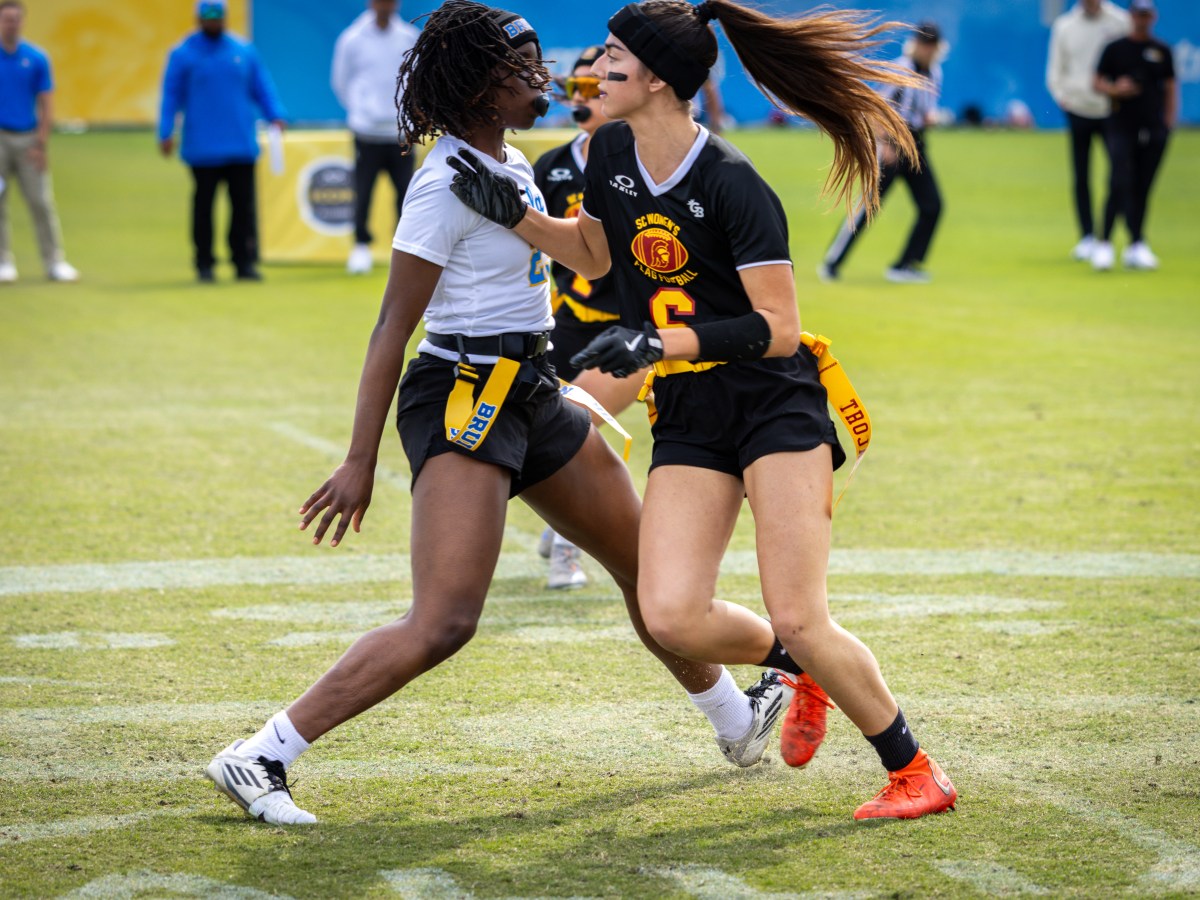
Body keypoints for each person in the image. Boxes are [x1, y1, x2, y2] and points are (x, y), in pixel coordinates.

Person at [201, 1, 832, 826]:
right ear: (478, 86)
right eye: (523, 68)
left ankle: (738, 718)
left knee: (652, 579)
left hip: (533, 388)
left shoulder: (510, 160)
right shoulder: (444, 182)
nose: (545, 78)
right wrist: (360, 457)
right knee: (445, 620)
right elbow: (394, 325)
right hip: (464, 394)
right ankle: (261, 756)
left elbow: (584, 255)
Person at [450, 0, 957, 820]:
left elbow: (778, 326)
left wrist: (656, 344)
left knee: (800, 608)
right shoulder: (611, 149)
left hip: (773, 404)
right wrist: (517, 215)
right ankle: (799, 668)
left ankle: (914, 771)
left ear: (655, 79)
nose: (595, 71)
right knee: (671, 613)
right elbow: (594, 254)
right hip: (690, 410)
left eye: (612, 58)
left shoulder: (731, 180)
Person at [531, 45, 646, 590]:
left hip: (623, 331)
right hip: (560, 324)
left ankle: (567, 550)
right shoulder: (550, 167)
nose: (581, 101)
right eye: (573, 90)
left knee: (579, 430)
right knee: (552, 439)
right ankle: (562, 527)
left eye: (591, 90)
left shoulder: (640, 162)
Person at [158, 0, 287, 283]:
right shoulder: (183, 54)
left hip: (240, 142)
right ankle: (204, 263)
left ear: (226, 19)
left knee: (243, 208)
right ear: (199, 19)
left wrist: (275, 114)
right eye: (208, 17)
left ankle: (243, 262)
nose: (213, 22)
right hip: (202, 146)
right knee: (204, 207)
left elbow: (261, 87)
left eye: (218, 17)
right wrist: (165, 131)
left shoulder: (243, 50)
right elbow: (171, 95)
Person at [818, 21, 944, 285]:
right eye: (924, 43)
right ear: (916, 44)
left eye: (932, 44)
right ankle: (832, 261)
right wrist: (883, 144)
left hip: (916, 144)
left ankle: (905, 265)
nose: (928, 50)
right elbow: (874, 108)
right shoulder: (901, 69)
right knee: (868, 207)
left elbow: (923, 110)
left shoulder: (934, 73)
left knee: (932, 205)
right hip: (891, 143)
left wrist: (930, 117)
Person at [331, 0, 420, 275]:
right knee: (364, 191)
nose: (385, 4)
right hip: (366, 132)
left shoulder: (408, 36)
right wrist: (362, 112)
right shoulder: (352, 38)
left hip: (400, 132)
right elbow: (341, 82)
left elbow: (415, 80)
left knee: (405, 194)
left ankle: (403, 250)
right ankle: (360, 247)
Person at [1091, 0, 1176, 272]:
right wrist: (1115, 89)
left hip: (1152, 126)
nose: (1142, 19)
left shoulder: (1161, 50)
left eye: (1146, 14)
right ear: (1131, 15)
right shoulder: (1116, 48)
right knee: (1119, 180)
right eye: (1138, 14)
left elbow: (1171, 87)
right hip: (1120, 124)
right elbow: (1097, 81)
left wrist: (1168, 123)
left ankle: (1136, 243)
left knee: (1143, 185)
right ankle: (1104, 242)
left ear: (1153, 16)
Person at [0, 0, 79, 284]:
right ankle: (3, 261)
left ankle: (54, 261)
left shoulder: (35, 57)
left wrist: (41, 141)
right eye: (7, 19)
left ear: (23, 22)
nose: (12, 24)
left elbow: (46, 101)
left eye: (16, 19)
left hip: (28, 136)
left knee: (40, 202)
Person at [1046, 0, 1130, 263]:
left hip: (1112, 109)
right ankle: (1087, 237)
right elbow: (1055, 68)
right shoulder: (1065, 25)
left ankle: (1128, 236)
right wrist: (1063, 96)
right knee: (1081, 175)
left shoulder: (1120, 20)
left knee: (1120, 174)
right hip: (1078, 108)